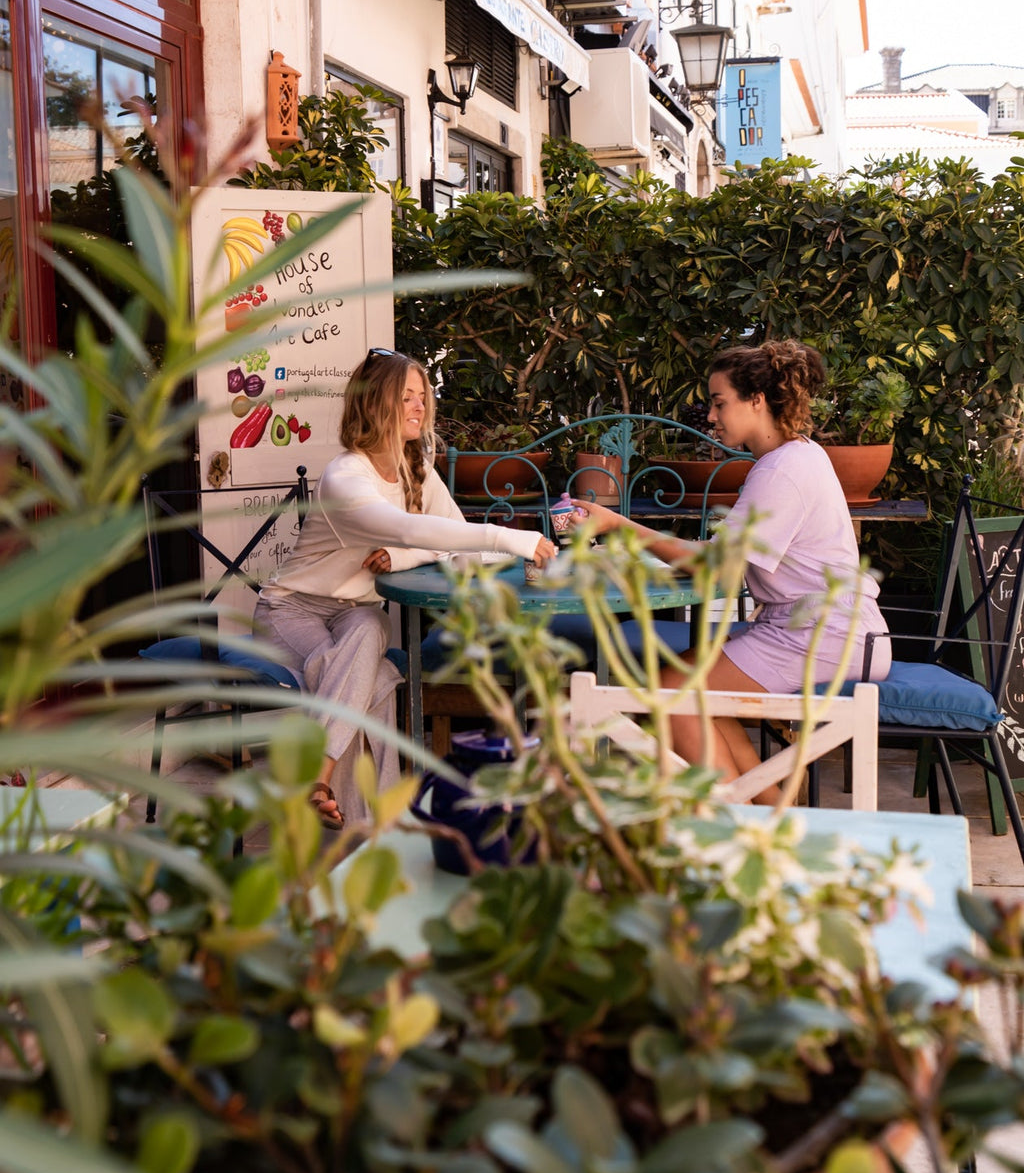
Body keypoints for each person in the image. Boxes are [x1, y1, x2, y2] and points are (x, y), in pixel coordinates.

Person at [572, 340, 891, 801]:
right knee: (694, 690)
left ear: (756, 400)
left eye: (720, 403)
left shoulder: (781, 471)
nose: (711, 416)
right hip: (830, 628)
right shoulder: (798, 455)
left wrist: (617, 525)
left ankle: (732, 824)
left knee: (671, 693)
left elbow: (714, 569)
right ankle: (770, 811)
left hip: (824, 634)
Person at [253, 348, 556, 828]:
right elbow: (408, 528)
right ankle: (375, 824)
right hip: (292, 611)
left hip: (354, 614)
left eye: (422, 396)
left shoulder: (417, 472)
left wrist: (405, 557)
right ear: (376, 404)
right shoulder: (346, 476)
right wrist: (508, 537)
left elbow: (455, 543)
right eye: (406, 397)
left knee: (369, 629)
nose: (420, 406)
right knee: (372, 679)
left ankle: (331, 793)